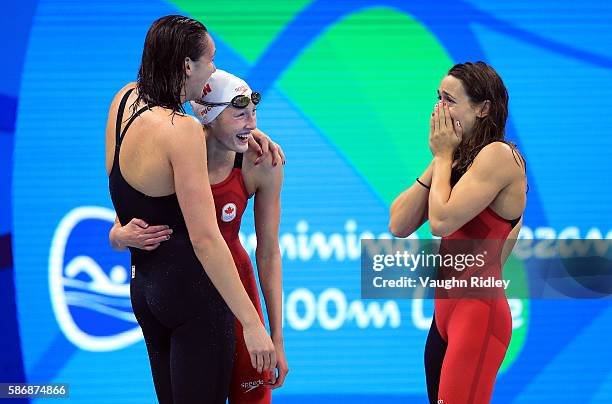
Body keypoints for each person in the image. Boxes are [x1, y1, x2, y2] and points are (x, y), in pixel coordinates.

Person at [106, 15, 282, 403]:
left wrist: (243, 127)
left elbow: (131, 193)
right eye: (211, 60)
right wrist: (254, 325)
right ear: (188, 65)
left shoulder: (122, 102)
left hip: (146, 290)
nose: (213, 70)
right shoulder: (181, 130)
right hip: (193, 295)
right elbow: (205, 239)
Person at [389, 61, 527, 403]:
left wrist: (444, 154)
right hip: (444, 317)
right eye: (437, 97)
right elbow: (400, 224)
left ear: (482, 108)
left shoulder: (500, 156)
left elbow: (442, 221)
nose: (439, 108)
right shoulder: (456, 159)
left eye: (449, 99)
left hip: (477, 316)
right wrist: (442, 159)